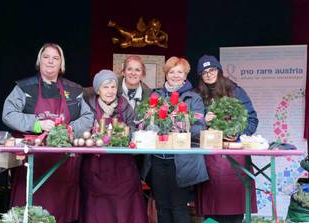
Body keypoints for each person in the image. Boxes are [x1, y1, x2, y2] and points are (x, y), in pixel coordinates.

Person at [2, 43, 94, 222]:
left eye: (55, 58)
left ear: (61, 64)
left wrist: (70, 129)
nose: (50, 61)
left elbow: (88, 116)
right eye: (46, 57)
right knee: (28, 209)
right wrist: (37, 124)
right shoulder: (24, 88)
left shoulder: (74, 90)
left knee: (62, 213)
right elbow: (8, 114)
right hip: (32, 162)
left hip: (64, 164)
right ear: (39, 61)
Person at [141, 57, 209, 223]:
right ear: (166, 74)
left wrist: (178, 124)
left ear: (186, 76)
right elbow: (143, 124)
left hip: (180, 161)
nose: (176, 75)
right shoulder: (155, 95)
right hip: (157, 160)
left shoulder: (194, 98)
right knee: (162, 208)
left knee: (178, 208)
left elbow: (199, 128)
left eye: (180, 72)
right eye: (172, 71)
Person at [195, 55, 259, 223]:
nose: (208, 74)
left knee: (235, 209)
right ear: (200, 76)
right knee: (211, 211)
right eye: (204, 72)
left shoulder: (235, 91)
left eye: (212, 70)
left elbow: (252, 119)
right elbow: (190, 124)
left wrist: (238, 134)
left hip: (235, 158)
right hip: (209, 158)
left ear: (219, 70)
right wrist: (203, 120)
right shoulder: (197, 95)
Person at [80, 69, 148, 223]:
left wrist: (124, 132)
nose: (110, 91)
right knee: (98, 210)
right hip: (95, 169)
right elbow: (82, 130)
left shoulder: (125, 106)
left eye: (112, 87)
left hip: (122, 170)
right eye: (105, 87)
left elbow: (134, 129)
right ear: (98, 90)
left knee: (125, 208)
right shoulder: (88, 106)